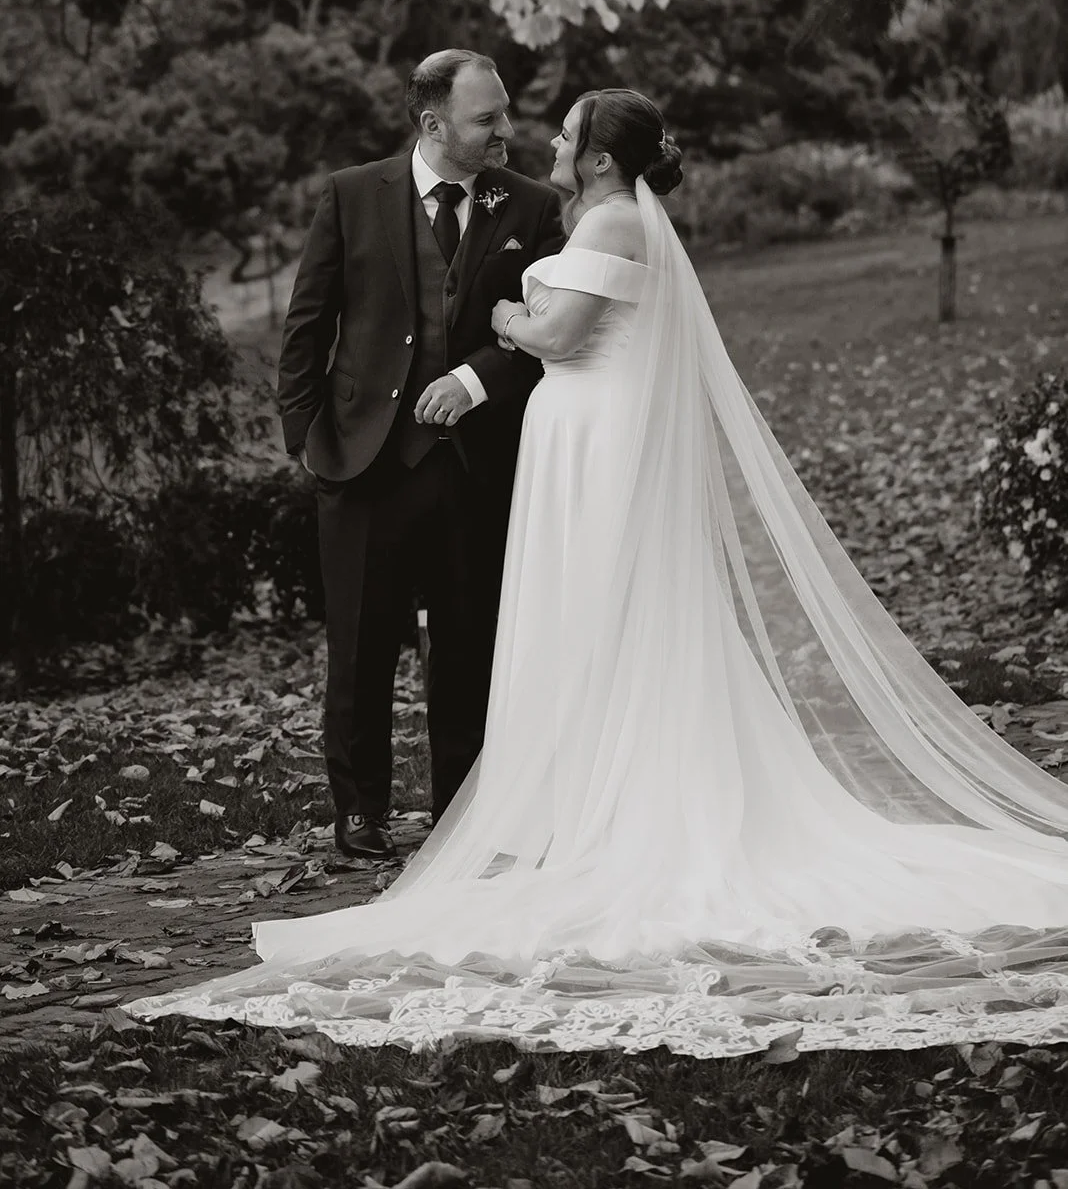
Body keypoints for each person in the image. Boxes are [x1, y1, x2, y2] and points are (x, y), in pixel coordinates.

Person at [129, 89, 1068, 1058]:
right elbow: (365, 319)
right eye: (525, 124)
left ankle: (598, 804)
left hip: (593, 434)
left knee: (594, 617)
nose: (544, 139)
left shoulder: (607, 217)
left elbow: (557, 335)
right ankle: (529, 800)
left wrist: (508, 315)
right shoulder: (570, 211)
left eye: (564, 133)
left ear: (603, 159)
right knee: (560, 622)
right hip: (555, 436)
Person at [274, 49, 563, 858]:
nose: (506, 129)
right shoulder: (352, 195)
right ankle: (360, 811)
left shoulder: (533, 208)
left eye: (503, 111)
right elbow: (308, 325)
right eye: (487, 118)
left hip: (478, 468)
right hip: (364, 465)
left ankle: (462, 814)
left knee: (469, 647)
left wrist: (477, 379)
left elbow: (551, 335)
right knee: (360, 649)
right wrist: (306, 438)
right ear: (434, 124)